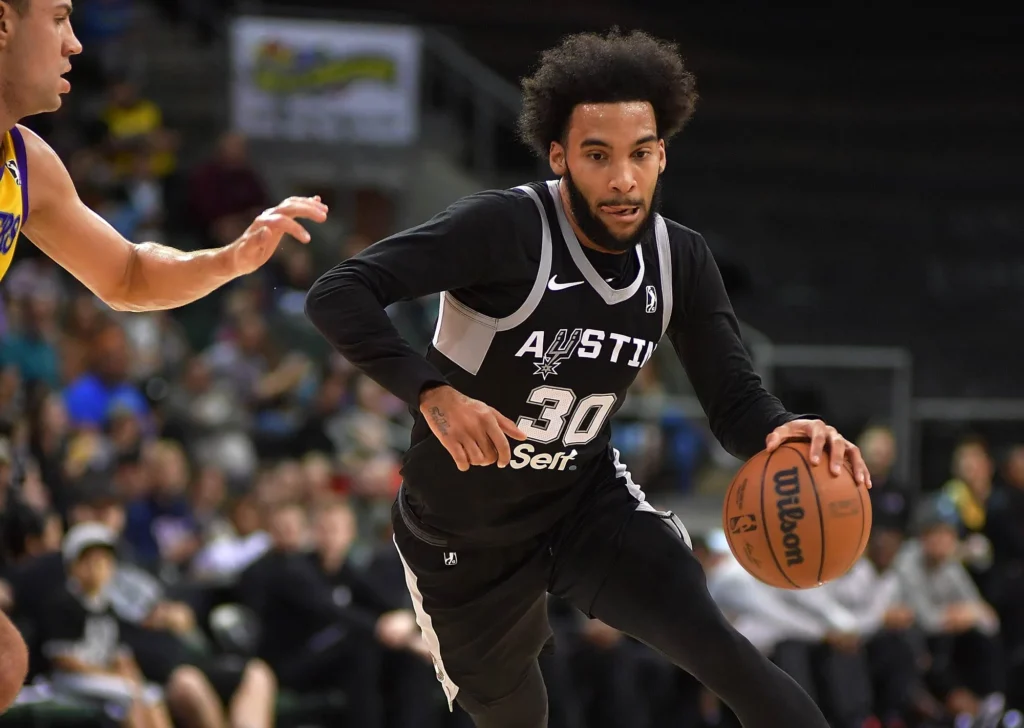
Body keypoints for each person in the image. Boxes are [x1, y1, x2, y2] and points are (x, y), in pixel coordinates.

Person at [305, 28, 871, 728]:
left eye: (641, 153)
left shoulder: (680, 260)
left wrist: (783, 429)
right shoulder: (504, 228)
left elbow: (733, 404)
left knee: (720, 649)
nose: (623, 178)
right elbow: (338, 291)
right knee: (515, 719)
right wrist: (433, 394)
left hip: (582, 503)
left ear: (662, 155)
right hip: (460, 532)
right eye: (598, 155)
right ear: (560, 156)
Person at [0, 0, 326, 709]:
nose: (76, 43)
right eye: (58, 19)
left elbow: (126, 274)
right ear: (2, 22)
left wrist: (230, 259)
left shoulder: (25, 162)